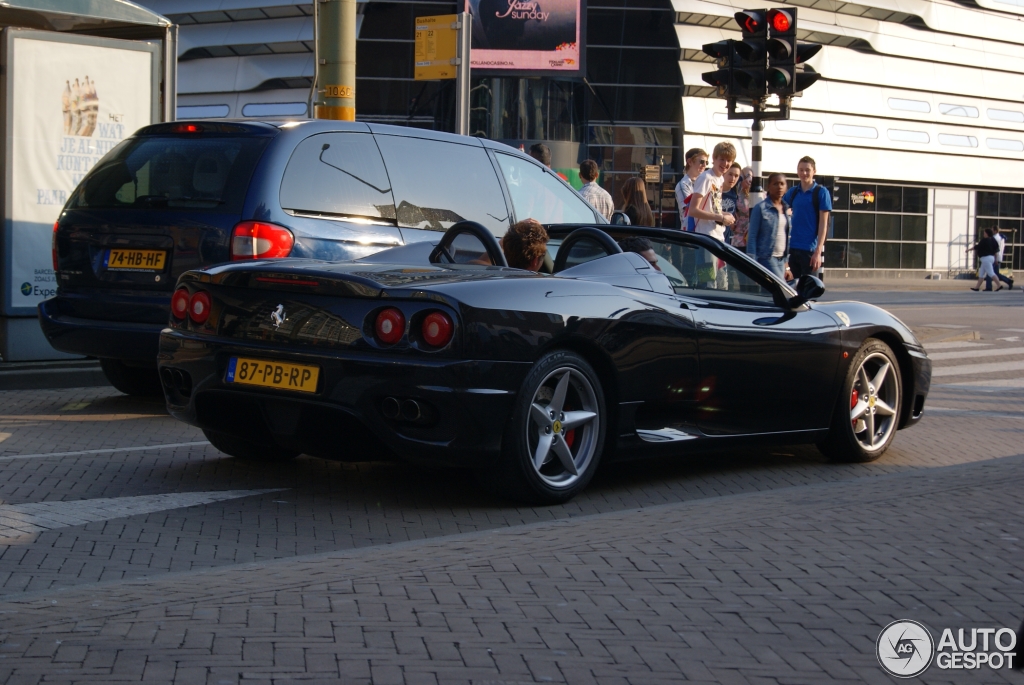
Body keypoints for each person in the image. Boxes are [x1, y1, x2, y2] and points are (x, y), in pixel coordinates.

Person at [782, 156, 832, 279]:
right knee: (793, 291)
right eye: (801, 170)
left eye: (807, 170)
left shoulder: (821, 192)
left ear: (814, 171)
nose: (804, 173)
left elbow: (823, 224)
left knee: (808, 291)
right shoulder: (793, 192)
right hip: (792, 248)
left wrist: (818, 252)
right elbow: (777, 207)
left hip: (810, 250)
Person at [686, 141, 736, 243]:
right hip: (705, 236)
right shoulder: (706, 178)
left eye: (729, 160)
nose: (725, 163)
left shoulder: (720, 179)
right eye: (722, 159)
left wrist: (725, 215)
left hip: (717, 235)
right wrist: (721, 218)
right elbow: (693, 210)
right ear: (714, 158)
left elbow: (711, 208)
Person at [747, 173, 791, 280]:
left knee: (777, 293)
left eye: (782, 184)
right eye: (775, 184)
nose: (779, 187)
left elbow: (786, 237)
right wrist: (753, 263)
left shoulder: (786, 208)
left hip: (781, 259)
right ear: (769, 187)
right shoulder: (761, 208)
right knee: (782, 289)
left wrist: (787, 266)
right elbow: (752, 236)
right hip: (766, 258)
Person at [674, 148, 708, 229]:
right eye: (702, 161)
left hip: (704, 228)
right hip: (691, 230)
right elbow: (691, 209)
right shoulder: (683, 185)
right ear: (690, 162)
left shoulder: (704, 182)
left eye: (706, 162)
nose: (704, 165)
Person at [984, 226, 1014, 290]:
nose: (991, 232)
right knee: (996, 273)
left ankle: (988, 287)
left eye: (992, 230)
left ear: (995, 231)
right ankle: (1008, 281)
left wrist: (995, 259)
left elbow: (995, 249)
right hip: (999, 257)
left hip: (995, 258)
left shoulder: (995, 238)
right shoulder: (1001, 237)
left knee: (990, 272)